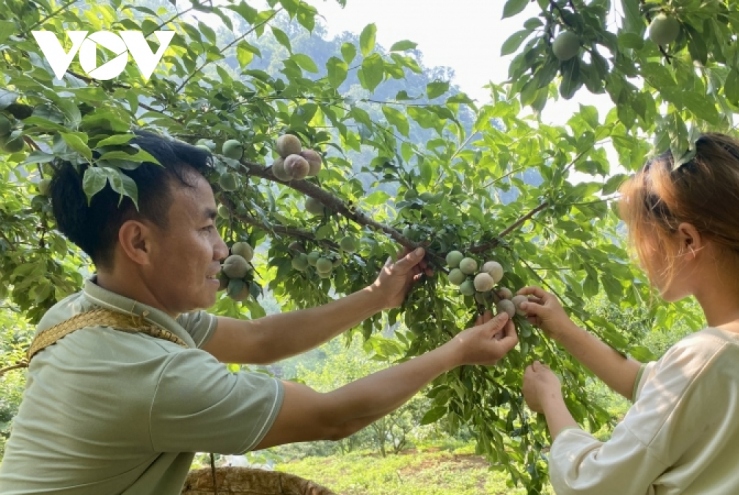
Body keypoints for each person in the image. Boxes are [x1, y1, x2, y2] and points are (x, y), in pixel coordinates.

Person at [0, 131, 519, 495]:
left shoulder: (96, 310)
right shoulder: (156, 376)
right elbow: (334, 416)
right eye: (205, 228)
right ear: (138, 242)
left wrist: (377, 295)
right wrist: (457, 352)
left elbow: (260, 339)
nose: (223, 250)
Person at [518, 132, 739, 495]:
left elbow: (591, 485)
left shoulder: (708, 359)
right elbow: (656, 387)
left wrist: (549, 399)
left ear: (687, 241)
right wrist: (563, 329)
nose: (637, 254)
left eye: (639, 236)